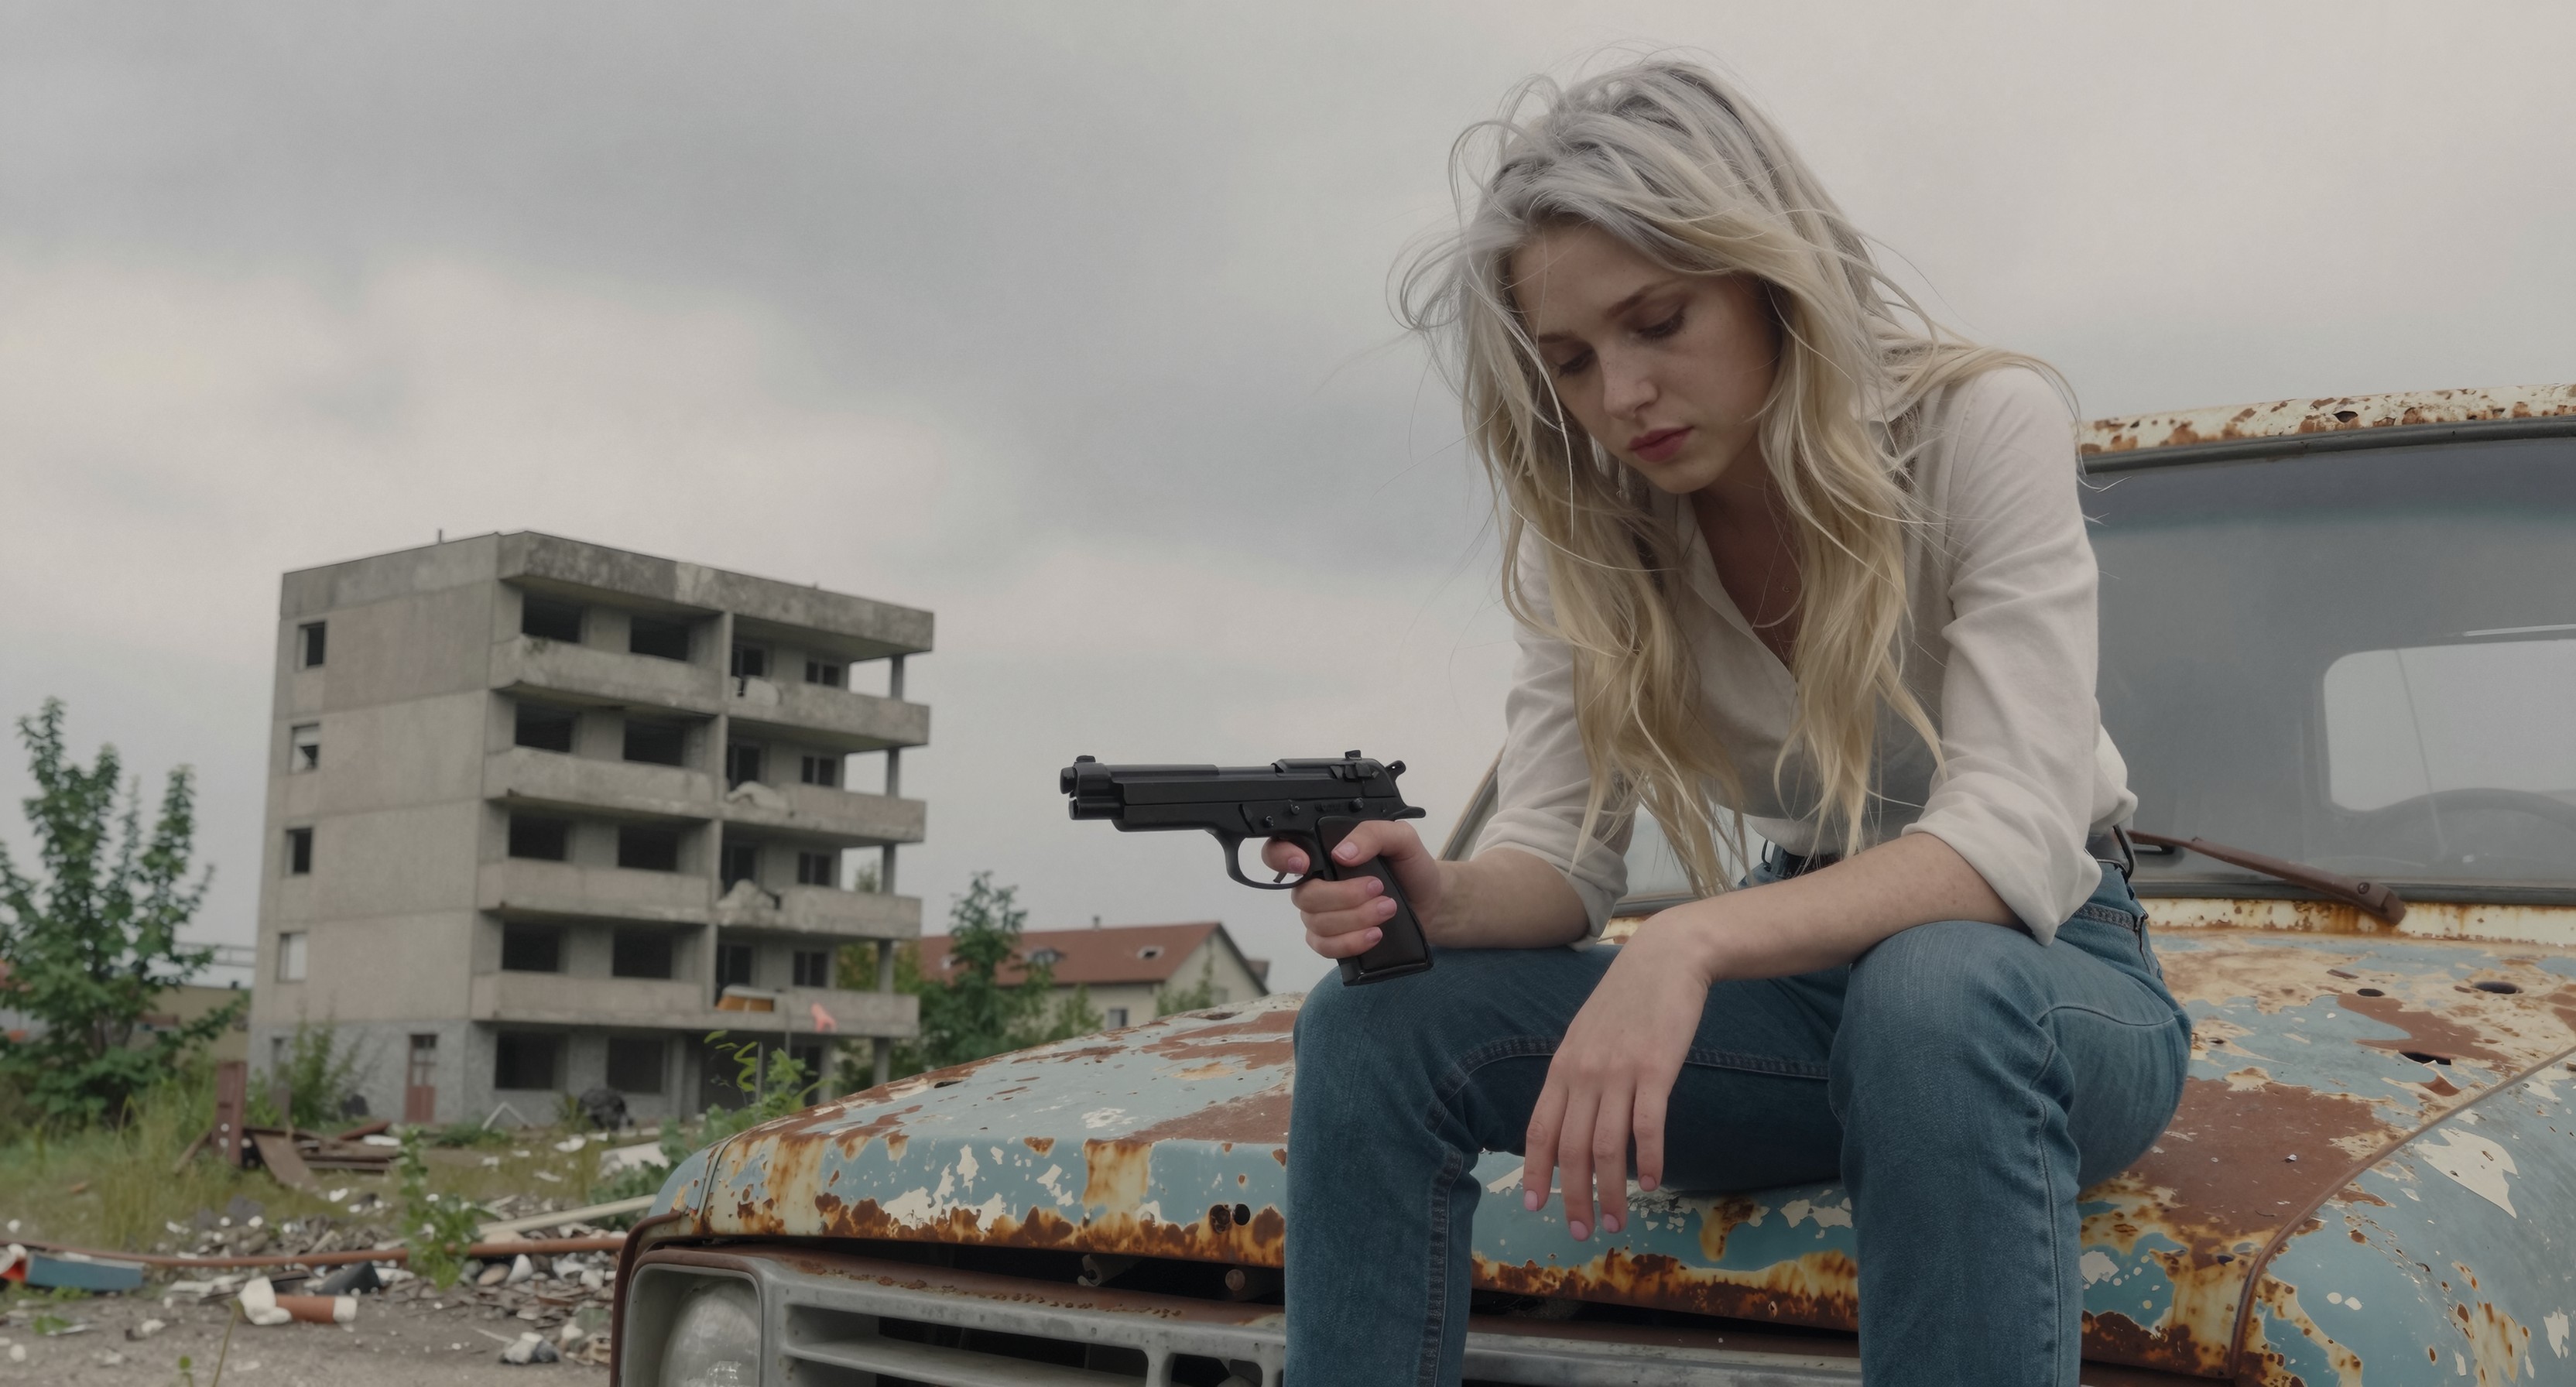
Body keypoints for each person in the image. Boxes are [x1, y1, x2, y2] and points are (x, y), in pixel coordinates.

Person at [1266, 59, 2189, 1386]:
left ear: (1770, 279)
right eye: (1572, 361)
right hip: (1800, 1002)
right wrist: (1439, 897)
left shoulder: (1979, 422)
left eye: (1658, 322)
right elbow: (1563, 857)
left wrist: (1688, 941)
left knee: (1933, 990)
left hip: (2048, 983)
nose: (1620, 395)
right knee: (1371, 1020)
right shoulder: (1597, 528)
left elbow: (2012, 834)